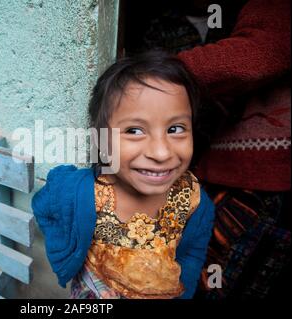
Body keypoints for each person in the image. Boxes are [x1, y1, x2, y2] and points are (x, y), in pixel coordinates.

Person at [31, 51, 215, 299]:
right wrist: (67, 251)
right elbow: (43, 207)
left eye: (175, 128)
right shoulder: (77, 191)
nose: (161, 153)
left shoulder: (194, 203)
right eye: (134, 130)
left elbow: (191, 255)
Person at [176, 0, 291, 298]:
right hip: (236, 175)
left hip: (262, 183)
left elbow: (257, 56)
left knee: (219, 282)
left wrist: (158, 70)